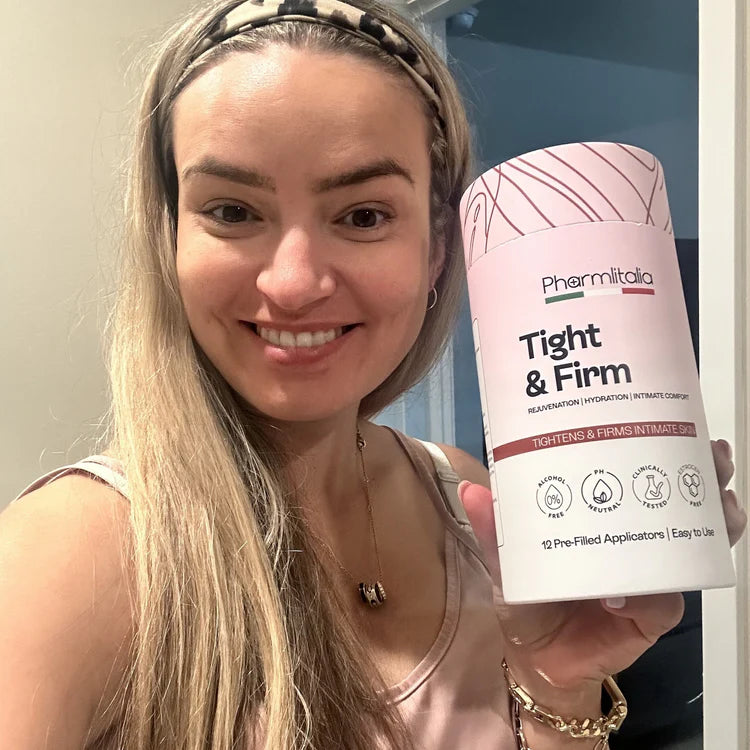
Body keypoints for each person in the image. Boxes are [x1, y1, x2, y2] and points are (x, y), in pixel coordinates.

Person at [0, 1, 745, 748]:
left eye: (363, 216)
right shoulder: (65, 559)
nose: (294, 284)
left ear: (437, 250)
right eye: (231, 210)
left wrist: (561, 683)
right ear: (169, 239)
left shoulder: (467, 506)